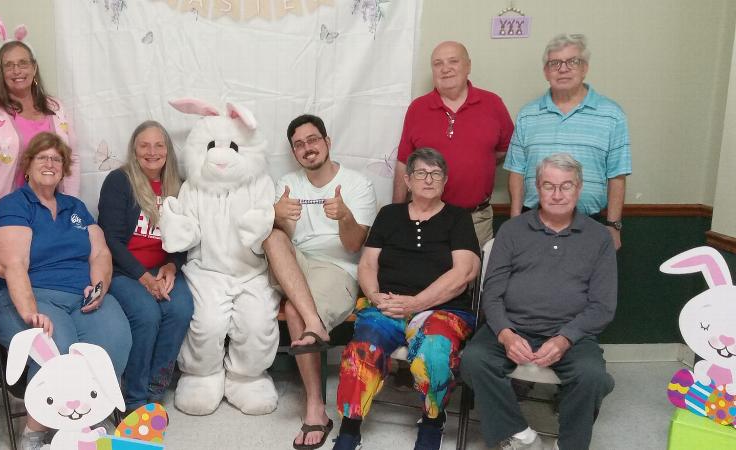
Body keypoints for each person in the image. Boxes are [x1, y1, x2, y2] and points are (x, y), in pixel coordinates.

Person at [461, 154, 617, 450]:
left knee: (593, 376)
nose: (557, 194)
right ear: (537, 187)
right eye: (549, 186)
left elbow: (603, 305)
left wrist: (564, 339)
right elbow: (491, 293)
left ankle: (569, 445)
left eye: (566, 186)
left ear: (579, 188)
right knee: (473, 361)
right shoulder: (512, 230)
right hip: (511, 326)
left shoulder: (598, 238)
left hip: (570, 333)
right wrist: (506, 334)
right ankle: (519, 433)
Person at [0, 132, 131, 450]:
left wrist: (98, 289)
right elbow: (12, 264)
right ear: (27, 164)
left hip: (80, 296)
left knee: (114, 338)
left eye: (56, 159)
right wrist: (30, 312)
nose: (50, 164)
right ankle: (36, 429)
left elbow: (100, 254)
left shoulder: (75, 207)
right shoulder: (15, 204)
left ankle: (95, 416)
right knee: (57, 350)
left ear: (64, 168)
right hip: (31, 294)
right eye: (42, 157)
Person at [332, 148, 481, 450]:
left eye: (436, 173)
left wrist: (416, 304)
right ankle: (349, 429)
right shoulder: (389, 214)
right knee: (362, 349)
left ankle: (432, 422)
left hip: (442, 309)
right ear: (408, 180)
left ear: (445, 180)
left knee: (435, 353)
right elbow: (368, 264)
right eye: (421, 173)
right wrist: (374, 296)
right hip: (387, 304)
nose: (429, 179)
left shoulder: (458, 218)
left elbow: (464, 272)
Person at [262, 114, 376, 450]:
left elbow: (354, 246)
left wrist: (345, 217)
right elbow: (275, 241)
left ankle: (316, 410)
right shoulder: (286, 183)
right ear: (294, 152)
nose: (307, 148)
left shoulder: (357, 184)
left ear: (327, 142)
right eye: (299, 144)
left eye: (313, 140)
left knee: (293, 310)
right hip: (295, 266)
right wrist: (275, 215)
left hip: (337, 268)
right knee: (270, 233)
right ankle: (316, 323)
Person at [97, 121, 194, 414]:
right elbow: (110, 239)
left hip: (162, 268)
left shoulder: (179, 186)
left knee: (181, 309)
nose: (152, 152)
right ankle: (134, 398)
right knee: (147, 314)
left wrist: (171, 267)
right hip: (126, 271)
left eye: (159, 145)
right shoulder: (119, 181)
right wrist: (144, 278)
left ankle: (155, 388)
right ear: (134, 150)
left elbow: (187, 237)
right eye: (144, 145)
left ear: (168, 150)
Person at [505, 33, 631, 249]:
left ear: (585, 68)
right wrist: (515, 220)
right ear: (546, 72)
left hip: (591, 222)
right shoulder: (528, 114)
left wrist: (613, 225)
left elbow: (617, 174)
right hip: (533, 222)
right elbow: (516, 171)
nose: (563, 69)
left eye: (572, 62)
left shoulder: (612, 114)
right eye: (555, 63)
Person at [393, 41, 513, 246]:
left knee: (472, 276)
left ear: (468, 66)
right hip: (425, 217)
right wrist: (397, 213)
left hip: (476, 219)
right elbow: (404, 162)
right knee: (426, 276)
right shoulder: (418, 108)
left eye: (453, 61)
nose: (445, 69)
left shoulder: (493, 104)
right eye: (438, 63)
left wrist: (476, 164)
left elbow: (505, 151)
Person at [0, 39, 80, 246]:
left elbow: (72, 159)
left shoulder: (56, 107)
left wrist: (70, 205)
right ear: (0, 72)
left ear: (34, 67)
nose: (16, 70)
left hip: (50, 211)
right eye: (9, 65)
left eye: (23, 63)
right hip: (3, 214)